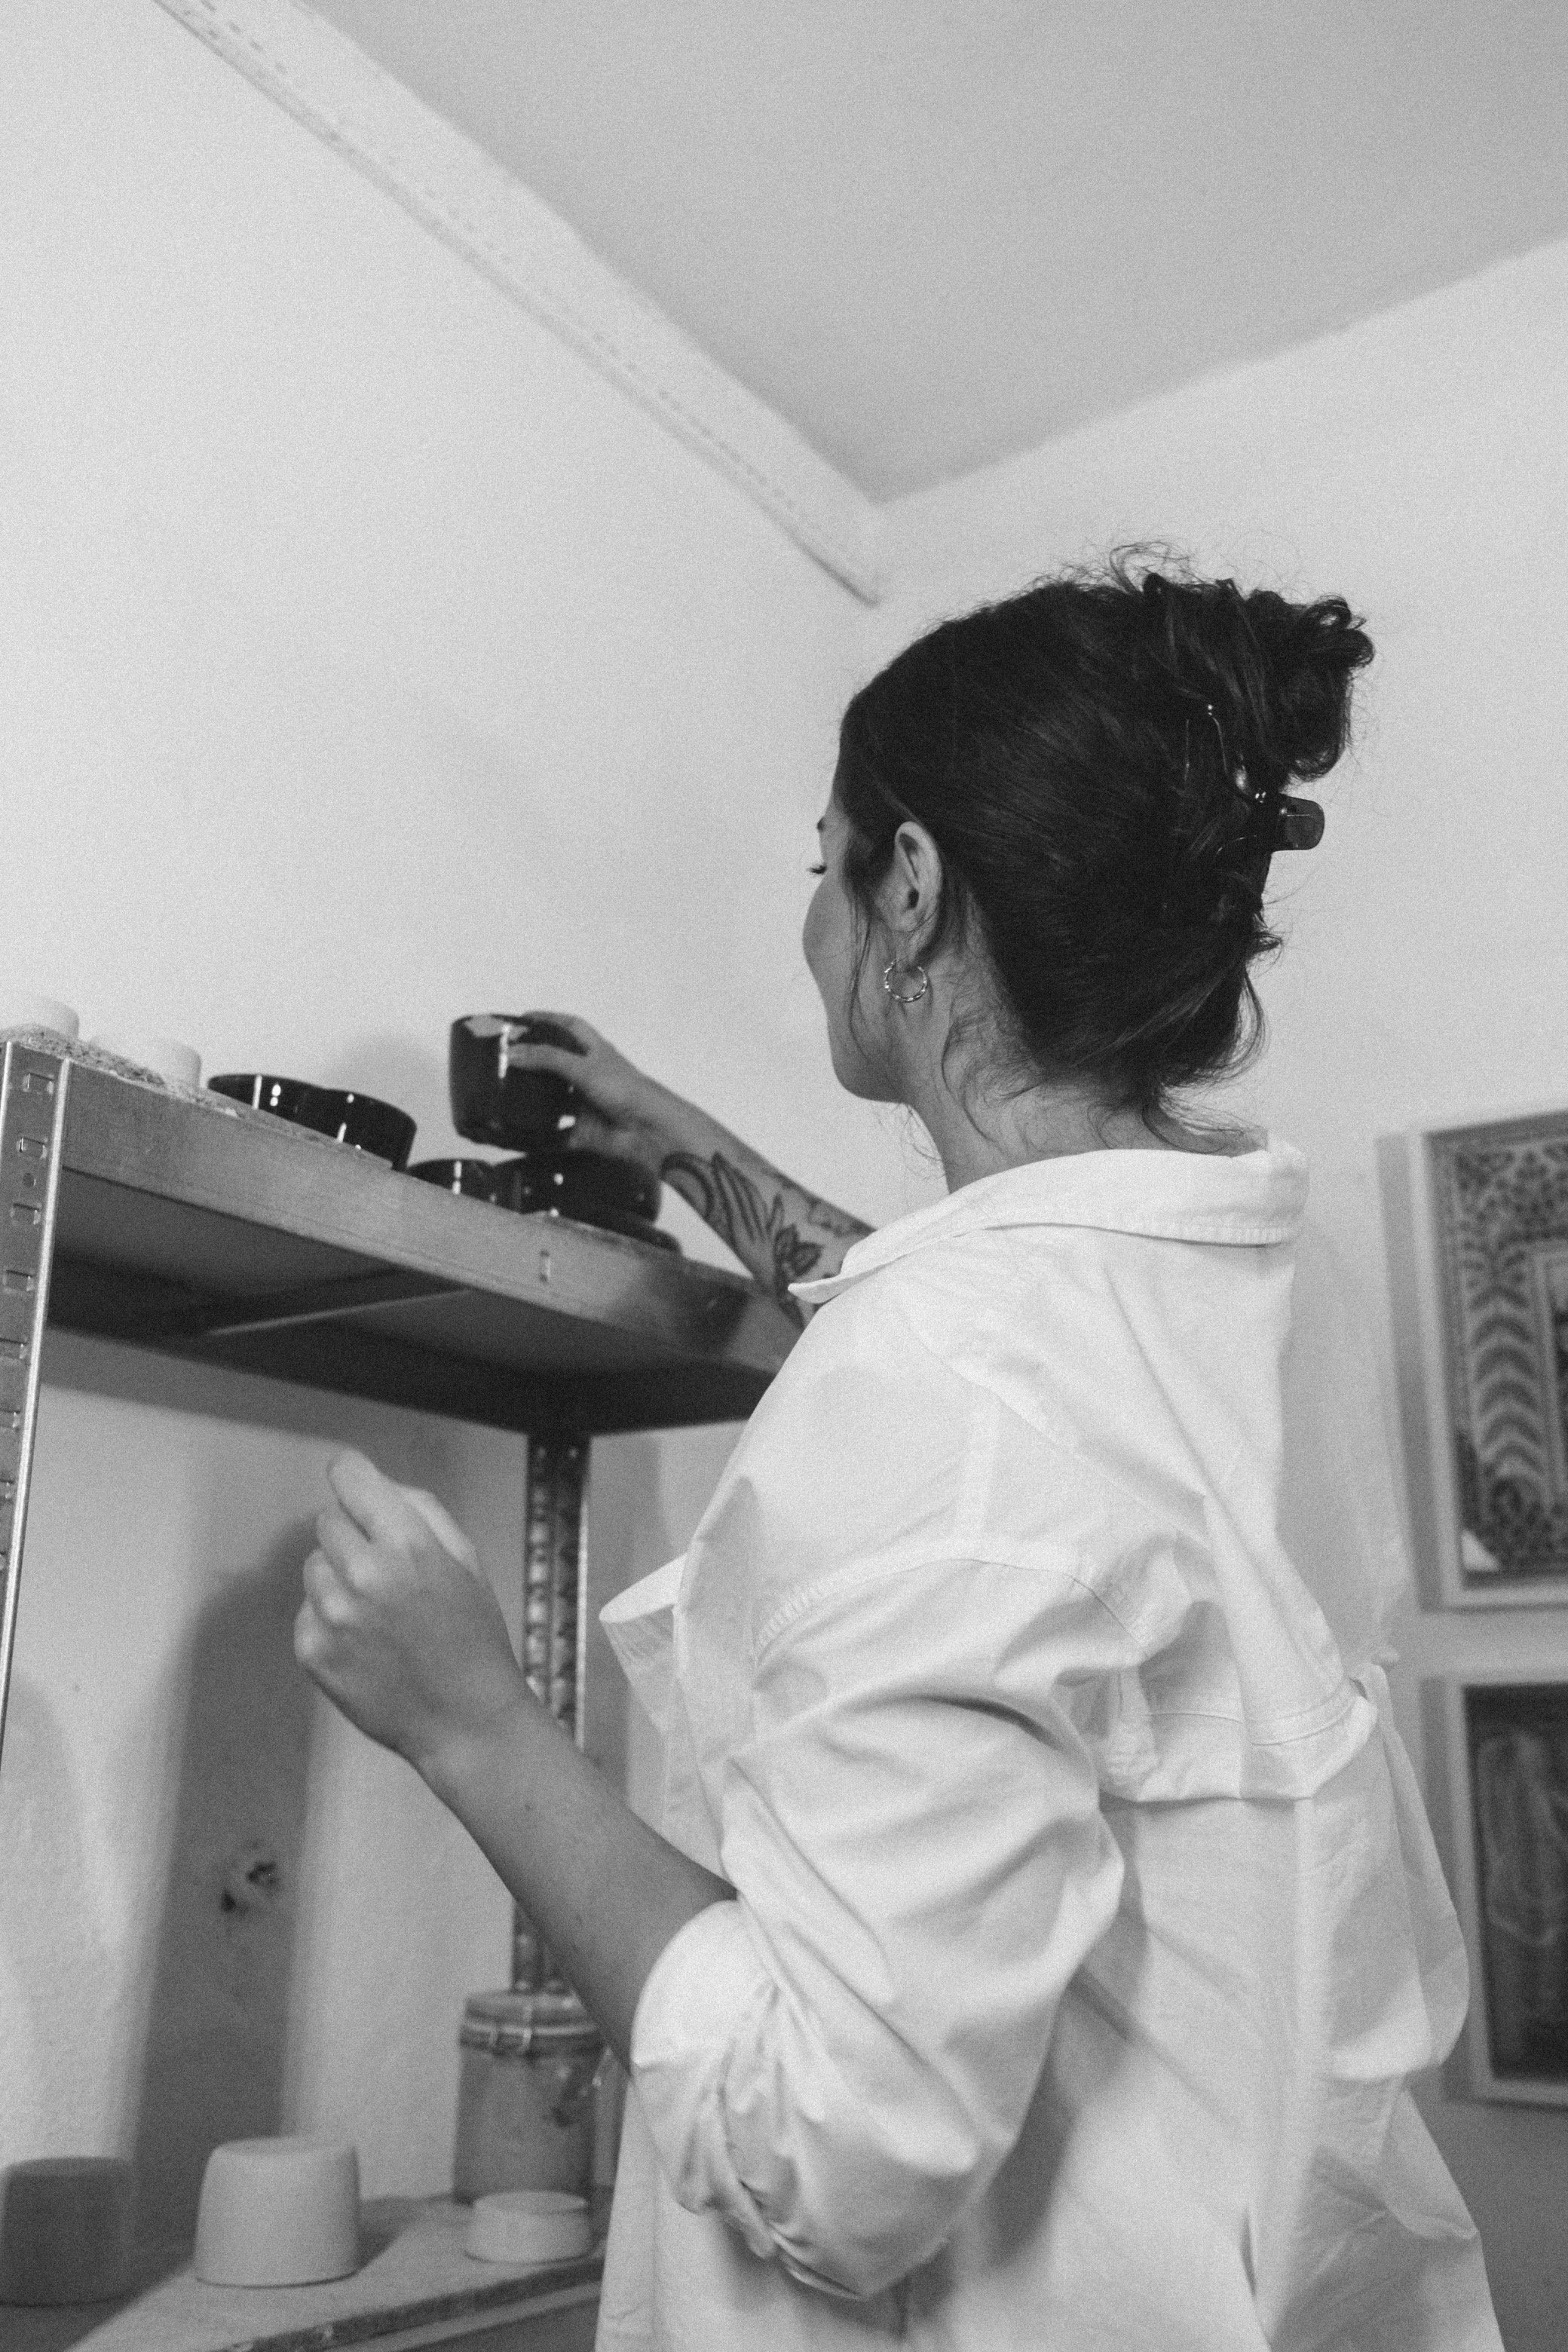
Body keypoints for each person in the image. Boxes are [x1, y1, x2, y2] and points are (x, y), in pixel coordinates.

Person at [296, 558, 1502, 2350]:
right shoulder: (1231, 1288)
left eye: (823, 865)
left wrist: (467, 1721)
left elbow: (829, 2158)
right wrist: (685, 1140)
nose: (810, 921)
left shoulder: (945, 1382)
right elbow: (974, 1339)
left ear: (910, 886)